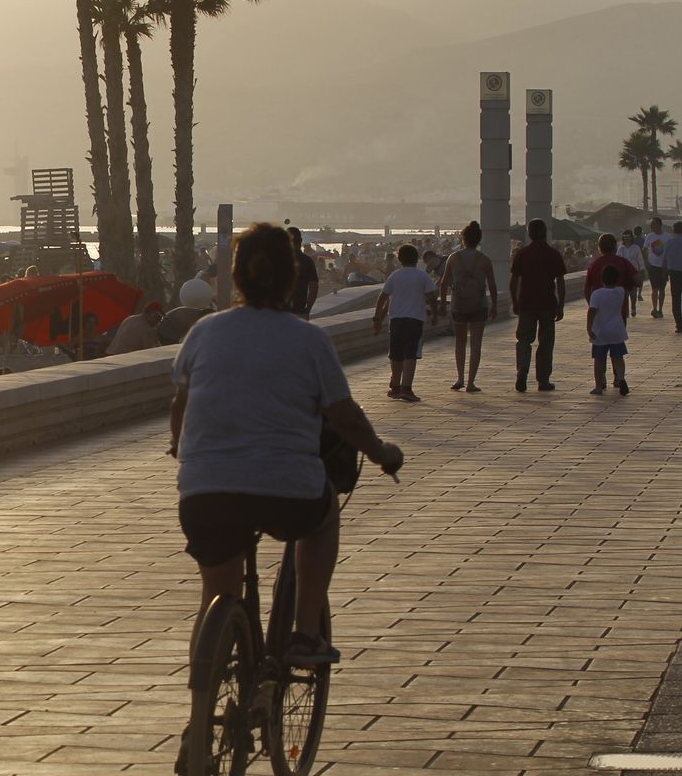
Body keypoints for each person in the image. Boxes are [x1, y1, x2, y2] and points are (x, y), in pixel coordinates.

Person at [169, 222, 402, 678]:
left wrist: (179, 448)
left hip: (205, 492)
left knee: (217, 594)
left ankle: (200, 714)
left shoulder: (203, 333)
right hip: (286, 491)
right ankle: (306, 631)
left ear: (235, 276)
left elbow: (181, 402)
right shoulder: (308, 340)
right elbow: (344, 416)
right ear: (291, 277)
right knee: (323, 519)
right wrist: (380, 453)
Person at [372, 243, 438, 402]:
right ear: (416, 258)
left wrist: (377, 318)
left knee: (395, 354)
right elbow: (432, 297)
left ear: (400, 259)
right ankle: (406, 389)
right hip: (415, 319)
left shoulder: (395, 275)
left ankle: (395, 387)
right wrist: (434, 313)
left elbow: (383, 297)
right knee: (410, 354)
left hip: (396, 319)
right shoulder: (422, 276)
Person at [509, 218, 567, 392]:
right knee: (546, 342)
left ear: (530, 233)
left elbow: (514, 281)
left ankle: (522, 370)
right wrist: (561, 304)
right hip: (547, 303)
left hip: (526, 303)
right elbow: (561, 281)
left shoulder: (522, 253)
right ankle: (543, 380)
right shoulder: (553, 254)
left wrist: (514, 301)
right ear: (545, 233)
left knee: (524, 340)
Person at [438, 221, 497, 393]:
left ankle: (460, 378)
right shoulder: (484, 260)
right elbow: (492, 285)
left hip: (459, 305)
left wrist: (443, 304)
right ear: (479, 239)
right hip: (479, 305)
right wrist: (494, 305)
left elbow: (443, 283)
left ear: (463, 238)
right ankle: (471, 382)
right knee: (476, 344)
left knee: (460, 342)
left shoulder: (454, 258)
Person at [588, 264, 631, 396]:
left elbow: (592, 311)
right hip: (617, 330)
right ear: (616, 279)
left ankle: (598, 386)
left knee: (599, 359)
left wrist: (589, 327)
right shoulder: (620, 292)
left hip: (600, 332)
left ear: (602, 278)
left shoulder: (597, 294)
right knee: (618, 357)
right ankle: (621, 378)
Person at [582, 233, 641, 306]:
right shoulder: (624, 263)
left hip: (599, 311)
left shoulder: (593, 266)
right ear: (615, 247)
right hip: (620, 310)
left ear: (599, 248)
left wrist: (592, 305)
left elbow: (586, 290)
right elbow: (638, 281)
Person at [158, 279, 215, 345]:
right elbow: (194, 335)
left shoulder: (196, 313)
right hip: (167, 329)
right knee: (171, 349)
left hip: (168, 327)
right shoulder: (194, 318)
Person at [287, 227, 320, 319]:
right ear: (301, 241)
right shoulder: (307, 261)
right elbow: (314, 287)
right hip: (299, 310)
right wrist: (308, 309)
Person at [643, 216, 669, 319]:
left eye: (653, 224)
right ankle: (654, 308)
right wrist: (646, 263)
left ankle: (660, 309)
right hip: (652, 266)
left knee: (662, 289)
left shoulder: (667, 237)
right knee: (654, 288)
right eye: (651, 225)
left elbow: (670, 252)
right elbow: (644, 250)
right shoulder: (649, 236)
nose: (651, 226)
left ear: (659, 225)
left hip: (663, 266)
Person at [618, 230, 645, 315]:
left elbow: (640, 260)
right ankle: (625, 309)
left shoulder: (636, 248)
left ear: (631, 238)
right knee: (624, 293)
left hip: (633, 273)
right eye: (625, 238)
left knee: (633, 293)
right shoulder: (621, 248)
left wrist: (641, 271)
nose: (627, 239)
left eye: (628, 237)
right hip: (623, 273)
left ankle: (633, 307)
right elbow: (618, 260)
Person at [664, 221, 682, 333]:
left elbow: (665, 258)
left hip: (674, 273)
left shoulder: (669, 242)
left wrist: (664, 272)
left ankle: (678, 324)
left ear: (674, 230)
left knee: (676, 299)